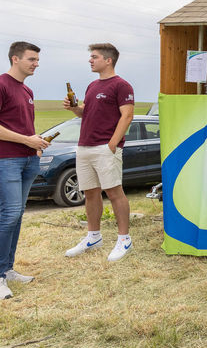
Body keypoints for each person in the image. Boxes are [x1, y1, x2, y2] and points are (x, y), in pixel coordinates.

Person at [63, 44, 135, 262]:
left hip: (105, 147)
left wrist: (112, 144)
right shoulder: (92, 85)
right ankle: (93, 236)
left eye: (94, 57)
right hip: (84, 146)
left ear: (108, 60)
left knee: (114, 192)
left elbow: (127, 116)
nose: (90, 60)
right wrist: (74, 108)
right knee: (90, 193)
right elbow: (85, 113)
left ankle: (124, 239)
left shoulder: (122, 85)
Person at [0, 42, 49, 300]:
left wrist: (36, 141)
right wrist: (26, 140)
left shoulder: (27, 90)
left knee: (17, 215)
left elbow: (22, 126)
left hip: (29, 160)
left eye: (37, 59)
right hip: (6, 160)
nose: (36, 63)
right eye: (32, 59)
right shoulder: (1, 84)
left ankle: (7, 269)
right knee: (8, 215)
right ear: (15, 58)